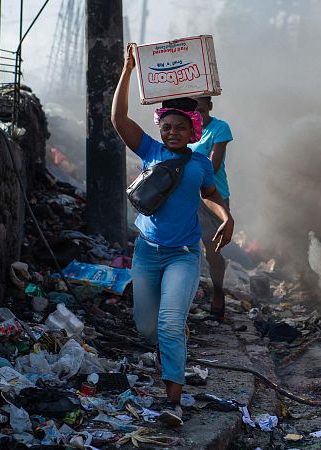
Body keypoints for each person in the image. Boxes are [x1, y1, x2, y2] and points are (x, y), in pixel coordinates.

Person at [111, 43, 234, 427]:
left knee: (167, 323)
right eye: (167, 127)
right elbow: (118, 118)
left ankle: (173, 401)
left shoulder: (199, 163)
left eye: (181, 127)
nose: (173, 132)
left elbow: (210, 195)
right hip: (147, 253)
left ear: (192, 130)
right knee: (147, 328)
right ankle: (173, 340)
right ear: (160, 129)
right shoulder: (149, 151)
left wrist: (226, 217)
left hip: (183, 254)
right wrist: (128, 69)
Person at [189, 96, 234, 321]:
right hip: (186, 195)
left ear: (209, 107)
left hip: (213, 197)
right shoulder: (182, 126)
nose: (198, 116)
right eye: (193, 111)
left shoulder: (219, 128)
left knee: (211, 250)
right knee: (182, 247)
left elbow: (212, 166)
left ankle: (218, 292)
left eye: (202, 111)